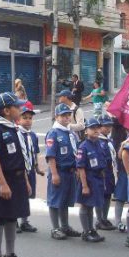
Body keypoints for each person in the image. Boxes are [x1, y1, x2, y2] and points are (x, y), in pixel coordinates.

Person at [0, 92, 32, 257]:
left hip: (18, 179)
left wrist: (26, 180)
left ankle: (10, 253)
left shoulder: (14, 129)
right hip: (4, 179)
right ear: (6, 110)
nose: (20, 109)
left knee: (12, 216)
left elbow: (21, 157)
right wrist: (3, 184)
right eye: (17, 107)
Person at [45, 103, 81, 240]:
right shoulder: (53, 133)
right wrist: (54, 174)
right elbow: (51, 156)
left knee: (65, 200)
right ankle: (55, 228)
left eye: (68, 115)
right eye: (63, 115)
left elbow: (75, 152)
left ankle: (65, 226)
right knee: (55, 200)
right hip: (59, 171)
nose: (66, 118)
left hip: (70, 172)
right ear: (56, 117)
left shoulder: (71, 133)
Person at [76, 118, 108, 243]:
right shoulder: (83, 147)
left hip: (97, 178)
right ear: (86, 131)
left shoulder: (100, 144)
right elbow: (81, 168)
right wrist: (84, 186)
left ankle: (91, 228)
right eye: (92, 128)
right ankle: (86, 231)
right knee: (85, 204)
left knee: (92, 205)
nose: (96, 130)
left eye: (97, 128)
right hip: (88, 178)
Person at [17, 105, 42, 233]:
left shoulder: (33, 135)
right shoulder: (17, 134)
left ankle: (24, 221)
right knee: (18, 195)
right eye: (25, 118)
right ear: (18, 119)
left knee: (27, 195)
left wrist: (37, 167)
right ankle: (14, 220)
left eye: (30, 118)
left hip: (30, 169)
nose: (28, 120)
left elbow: (35, 152)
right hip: (20, 170)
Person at [95, 115, 118, 231]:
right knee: (101, 196)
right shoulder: (98, 141)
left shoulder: (109, 140)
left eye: (110, 126)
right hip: (102, 172)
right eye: (105, 126)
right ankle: (99, 219)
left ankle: (104, 217)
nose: (108, 128)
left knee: (108, 195)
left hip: (110, 172)